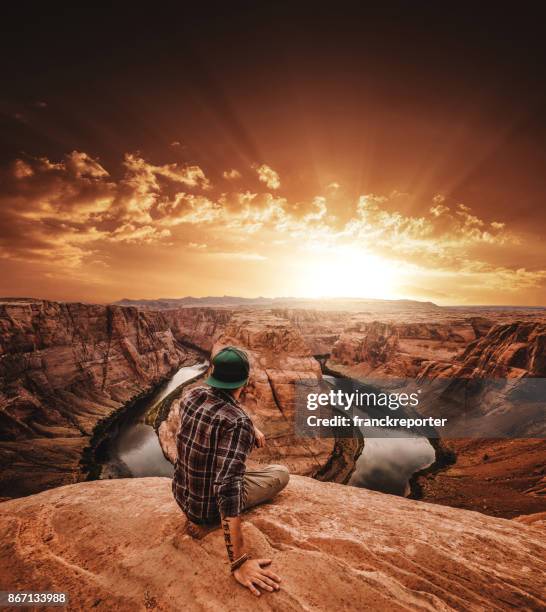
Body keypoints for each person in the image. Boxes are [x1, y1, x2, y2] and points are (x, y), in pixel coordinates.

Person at [172, 346, 290, 597]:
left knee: (237, 468)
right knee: (280, 473)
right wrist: (239, 562)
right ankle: (218, 536)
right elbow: (227, 488)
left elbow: (223, 407)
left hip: (183, 496)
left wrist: (252, 428)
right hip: (207, 511)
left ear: (213, 374)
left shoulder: (192, 395)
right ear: (245, 381)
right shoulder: (237, 423)